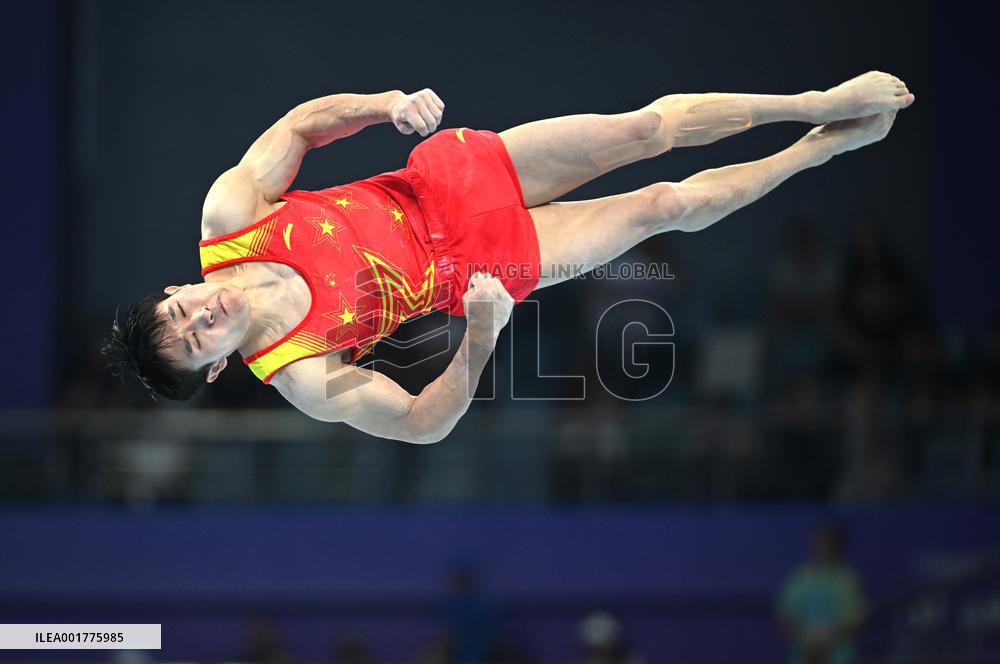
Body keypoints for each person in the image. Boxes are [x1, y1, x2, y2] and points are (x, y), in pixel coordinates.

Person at [102, 73, 914, 443]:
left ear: (177, 287)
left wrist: (384, 105)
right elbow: (423, 425)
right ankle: (814, 151)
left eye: (181, 310)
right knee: (667, 206)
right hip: (482, 269)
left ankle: (815, 102)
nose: (202, 316)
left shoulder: (230, 215)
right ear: (215, 369)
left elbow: (303, 125)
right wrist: (483, 332)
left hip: (446, 178)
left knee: (642, 130)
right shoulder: (304, 373)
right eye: (197, 339)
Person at [776, 521, 868, 664]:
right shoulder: (798, 578)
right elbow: (785, 616)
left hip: (838, 656)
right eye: (819, 542)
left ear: (837, 547)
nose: (822, 547)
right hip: (802, 656)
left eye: (827, 543)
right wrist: (807, 640)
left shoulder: (847, 580)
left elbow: (855, 620)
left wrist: (825, 640)